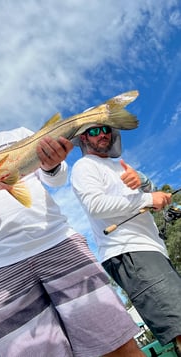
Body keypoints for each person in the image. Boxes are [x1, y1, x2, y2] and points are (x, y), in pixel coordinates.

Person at [0, 81, 145, 357]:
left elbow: (57, 179)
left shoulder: (20, 135)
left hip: (59, 244)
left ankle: (102, 112)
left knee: (117, 346)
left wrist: (52, 165)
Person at [71, 122, 181, 352]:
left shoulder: (120, 167)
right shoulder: (84, 166)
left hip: (152, 250)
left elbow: (153, 197)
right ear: (83, 139)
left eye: (105, 129)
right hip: (129, 251)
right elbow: (96, 205)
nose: (101, 134)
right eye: (93, 131)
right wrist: (148, 200)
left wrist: (144, 185)